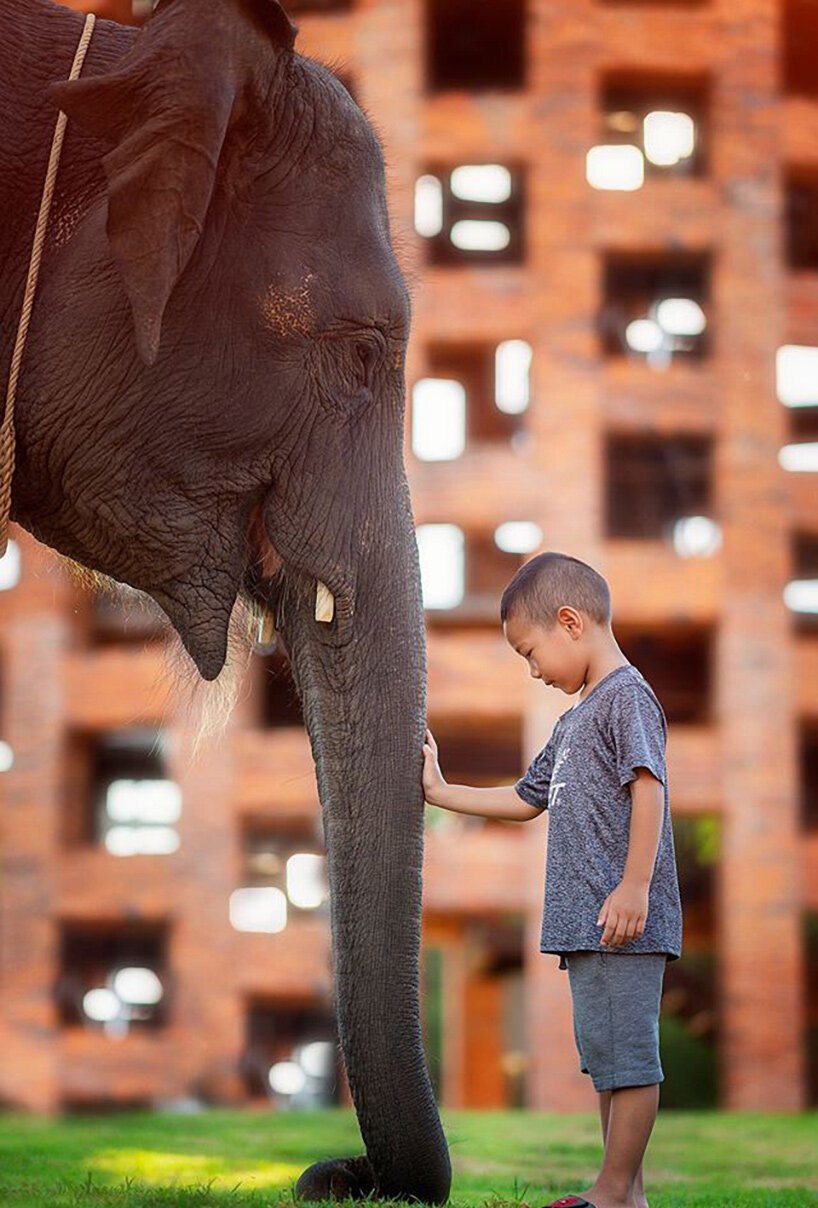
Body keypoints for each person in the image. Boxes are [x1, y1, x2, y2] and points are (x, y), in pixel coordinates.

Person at [422, 550, 683, 1208]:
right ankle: (626, 1195)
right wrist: (440, 792)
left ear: (570, 622)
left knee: (631, 1061)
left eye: (530, 653)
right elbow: (523, 798)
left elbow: (649, 790)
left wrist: (634, 886)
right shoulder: (572, 722)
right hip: (586, 925)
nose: (533, 671)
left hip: (624, 918)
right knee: (608, 1064)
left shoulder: (628, 698)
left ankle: (613, 1189)